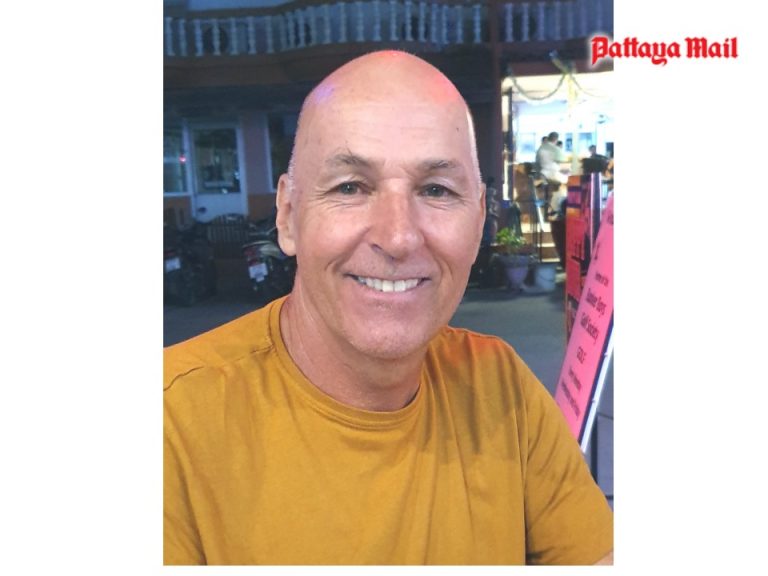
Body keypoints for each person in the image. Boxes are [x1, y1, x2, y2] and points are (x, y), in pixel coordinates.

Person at [164, 51, 613, 565]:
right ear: (287, 216)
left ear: (479, 221)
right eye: (350, 187)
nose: (398, 237)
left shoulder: (500, 388)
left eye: (436, 190)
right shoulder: (172, 422)